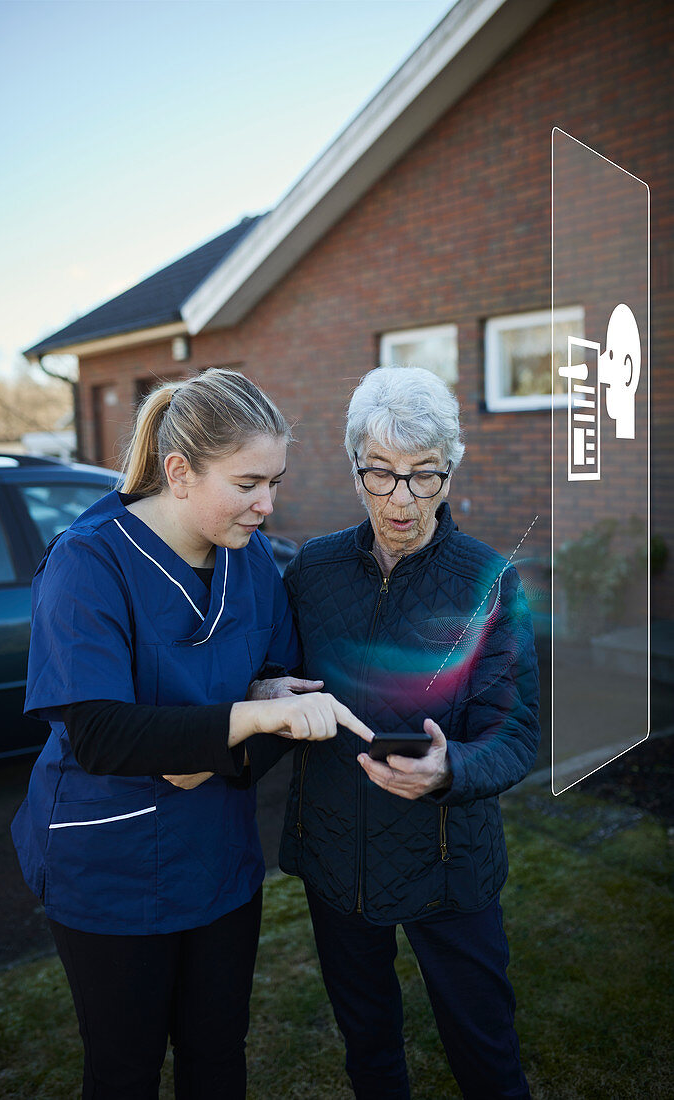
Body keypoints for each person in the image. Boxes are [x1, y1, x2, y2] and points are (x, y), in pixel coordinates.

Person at [11, 367, 372, 1100]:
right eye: (247, 484)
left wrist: (208, 751)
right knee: (124, 1070)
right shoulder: (89, 564)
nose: (266, 505)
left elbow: (290, 694)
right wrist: (243, 718)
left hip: (217, 864)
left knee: (216, 1057)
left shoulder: (253, 568)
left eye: (273, 481)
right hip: (107, 865)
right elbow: (102, 735)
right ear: (178, 472)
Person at [277, 366, 540, 1099]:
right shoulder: (313, 570)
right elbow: (277, 679)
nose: (401, 499)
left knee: (485, 1049)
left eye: (424, 476)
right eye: (381, 474)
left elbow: (514, 732)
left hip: (448, 863)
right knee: (368, 1048)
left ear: (449, 472)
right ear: (354, 467)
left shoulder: (489, 580)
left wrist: (449, 768)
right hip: (337, 857)